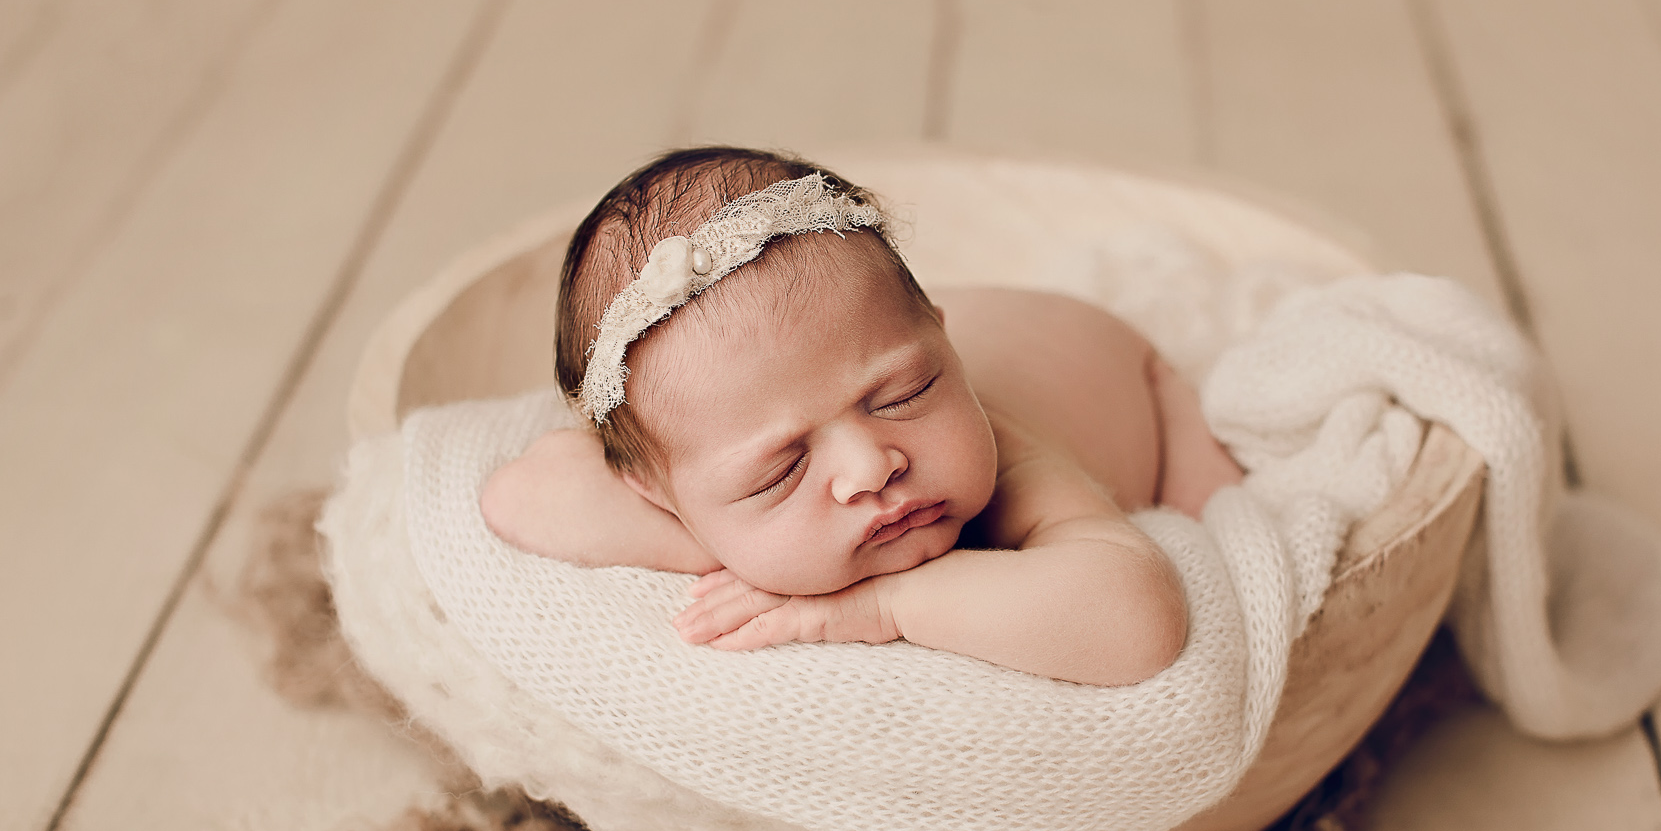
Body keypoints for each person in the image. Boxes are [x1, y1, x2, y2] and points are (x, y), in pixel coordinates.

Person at [480, 147, 1246, 686]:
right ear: (657, 491)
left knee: (1219, 516)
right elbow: (520, 494)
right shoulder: (688, 476)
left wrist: (881, 604)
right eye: (781, 469)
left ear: (944, 346)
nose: (872, 465)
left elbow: (1137, 623)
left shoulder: (1010, 458)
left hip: (1126, 371)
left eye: (905, 394)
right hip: (825, 374)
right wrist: (732, 550)